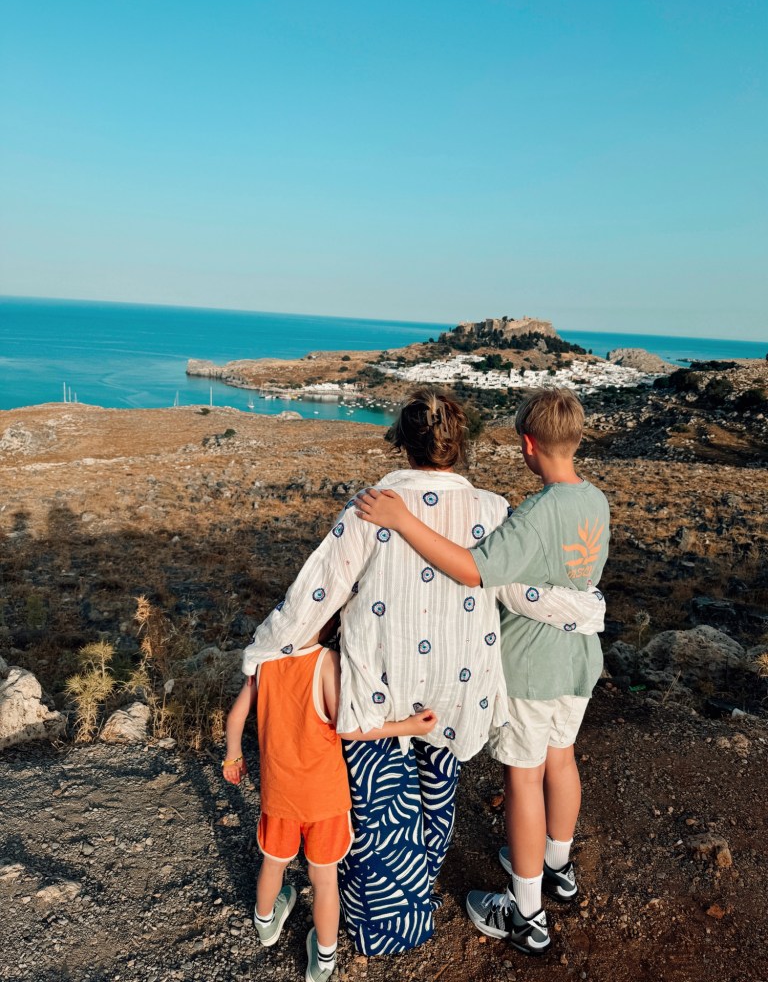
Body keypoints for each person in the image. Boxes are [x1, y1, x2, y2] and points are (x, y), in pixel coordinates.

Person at [240, 388, 605, 956]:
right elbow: (507, 587)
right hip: (459, 690)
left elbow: (319, 589)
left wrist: (265, 652)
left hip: (383, 686)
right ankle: (428, 890)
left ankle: (382, 927)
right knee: (437, 803)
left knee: (380, 817)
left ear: (403, 443)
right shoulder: (493, 509)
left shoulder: (373, 506)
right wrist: (581, 608)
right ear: (459, 446)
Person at [354, 387, 610, 957]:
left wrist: (399, 518)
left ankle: (525, 913)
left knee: (524, 779)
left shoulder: (539, 513)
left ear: (527, 444)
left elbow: (472, 570)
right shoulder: (595, 500)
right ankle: (557, 867)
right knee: (562, 761)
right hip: (578, 660)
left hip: (532, 667)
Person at [223, 614, 437, 982]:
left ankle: (265, 924)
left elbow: (238, 712)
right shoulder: (325, 662)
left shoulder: (267, 659)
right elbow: (350, 727)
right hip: (325, 801)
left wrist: (233, 754)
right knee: (324, 880)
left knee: (273, 864)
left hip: (279, 796)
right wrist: (408, 727)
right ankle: (322, 961)